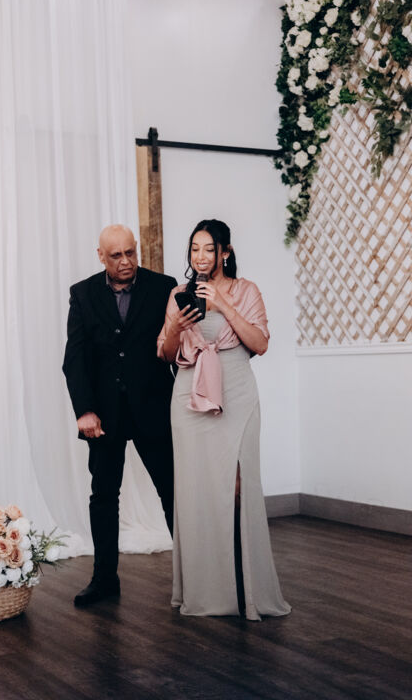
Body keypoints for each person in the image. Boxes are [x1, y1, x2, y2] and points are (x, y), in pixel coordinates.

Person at [158, 219, 291, 621]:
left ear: (225, 252)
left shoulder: (246, 290)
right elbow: (165, 353)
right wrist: (175, 328)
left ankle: (243, 589)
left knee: (237, 486)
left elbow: (260, 344)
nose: (200, 256)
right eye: (194, 248)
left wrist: (222, 304)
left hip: (236, 391)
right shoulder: (178, 294)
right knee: (194, 490)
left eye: (208, 249)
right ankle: (204, 591)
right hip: (188, 395)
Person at [63, 224, 177, 606]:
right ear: (101, 256)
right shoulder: (82, 294)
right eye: (116, 255)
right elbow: (75, 359)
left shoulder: (163, 287)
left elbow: (177, 346)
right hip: (104, 414)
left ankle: (194, 574)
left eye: (131, 252)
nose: (126, 261)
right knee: (103, 496)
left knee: (172, 490)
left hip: (153, 408)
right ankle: (104, 579)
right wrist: (85, 410)